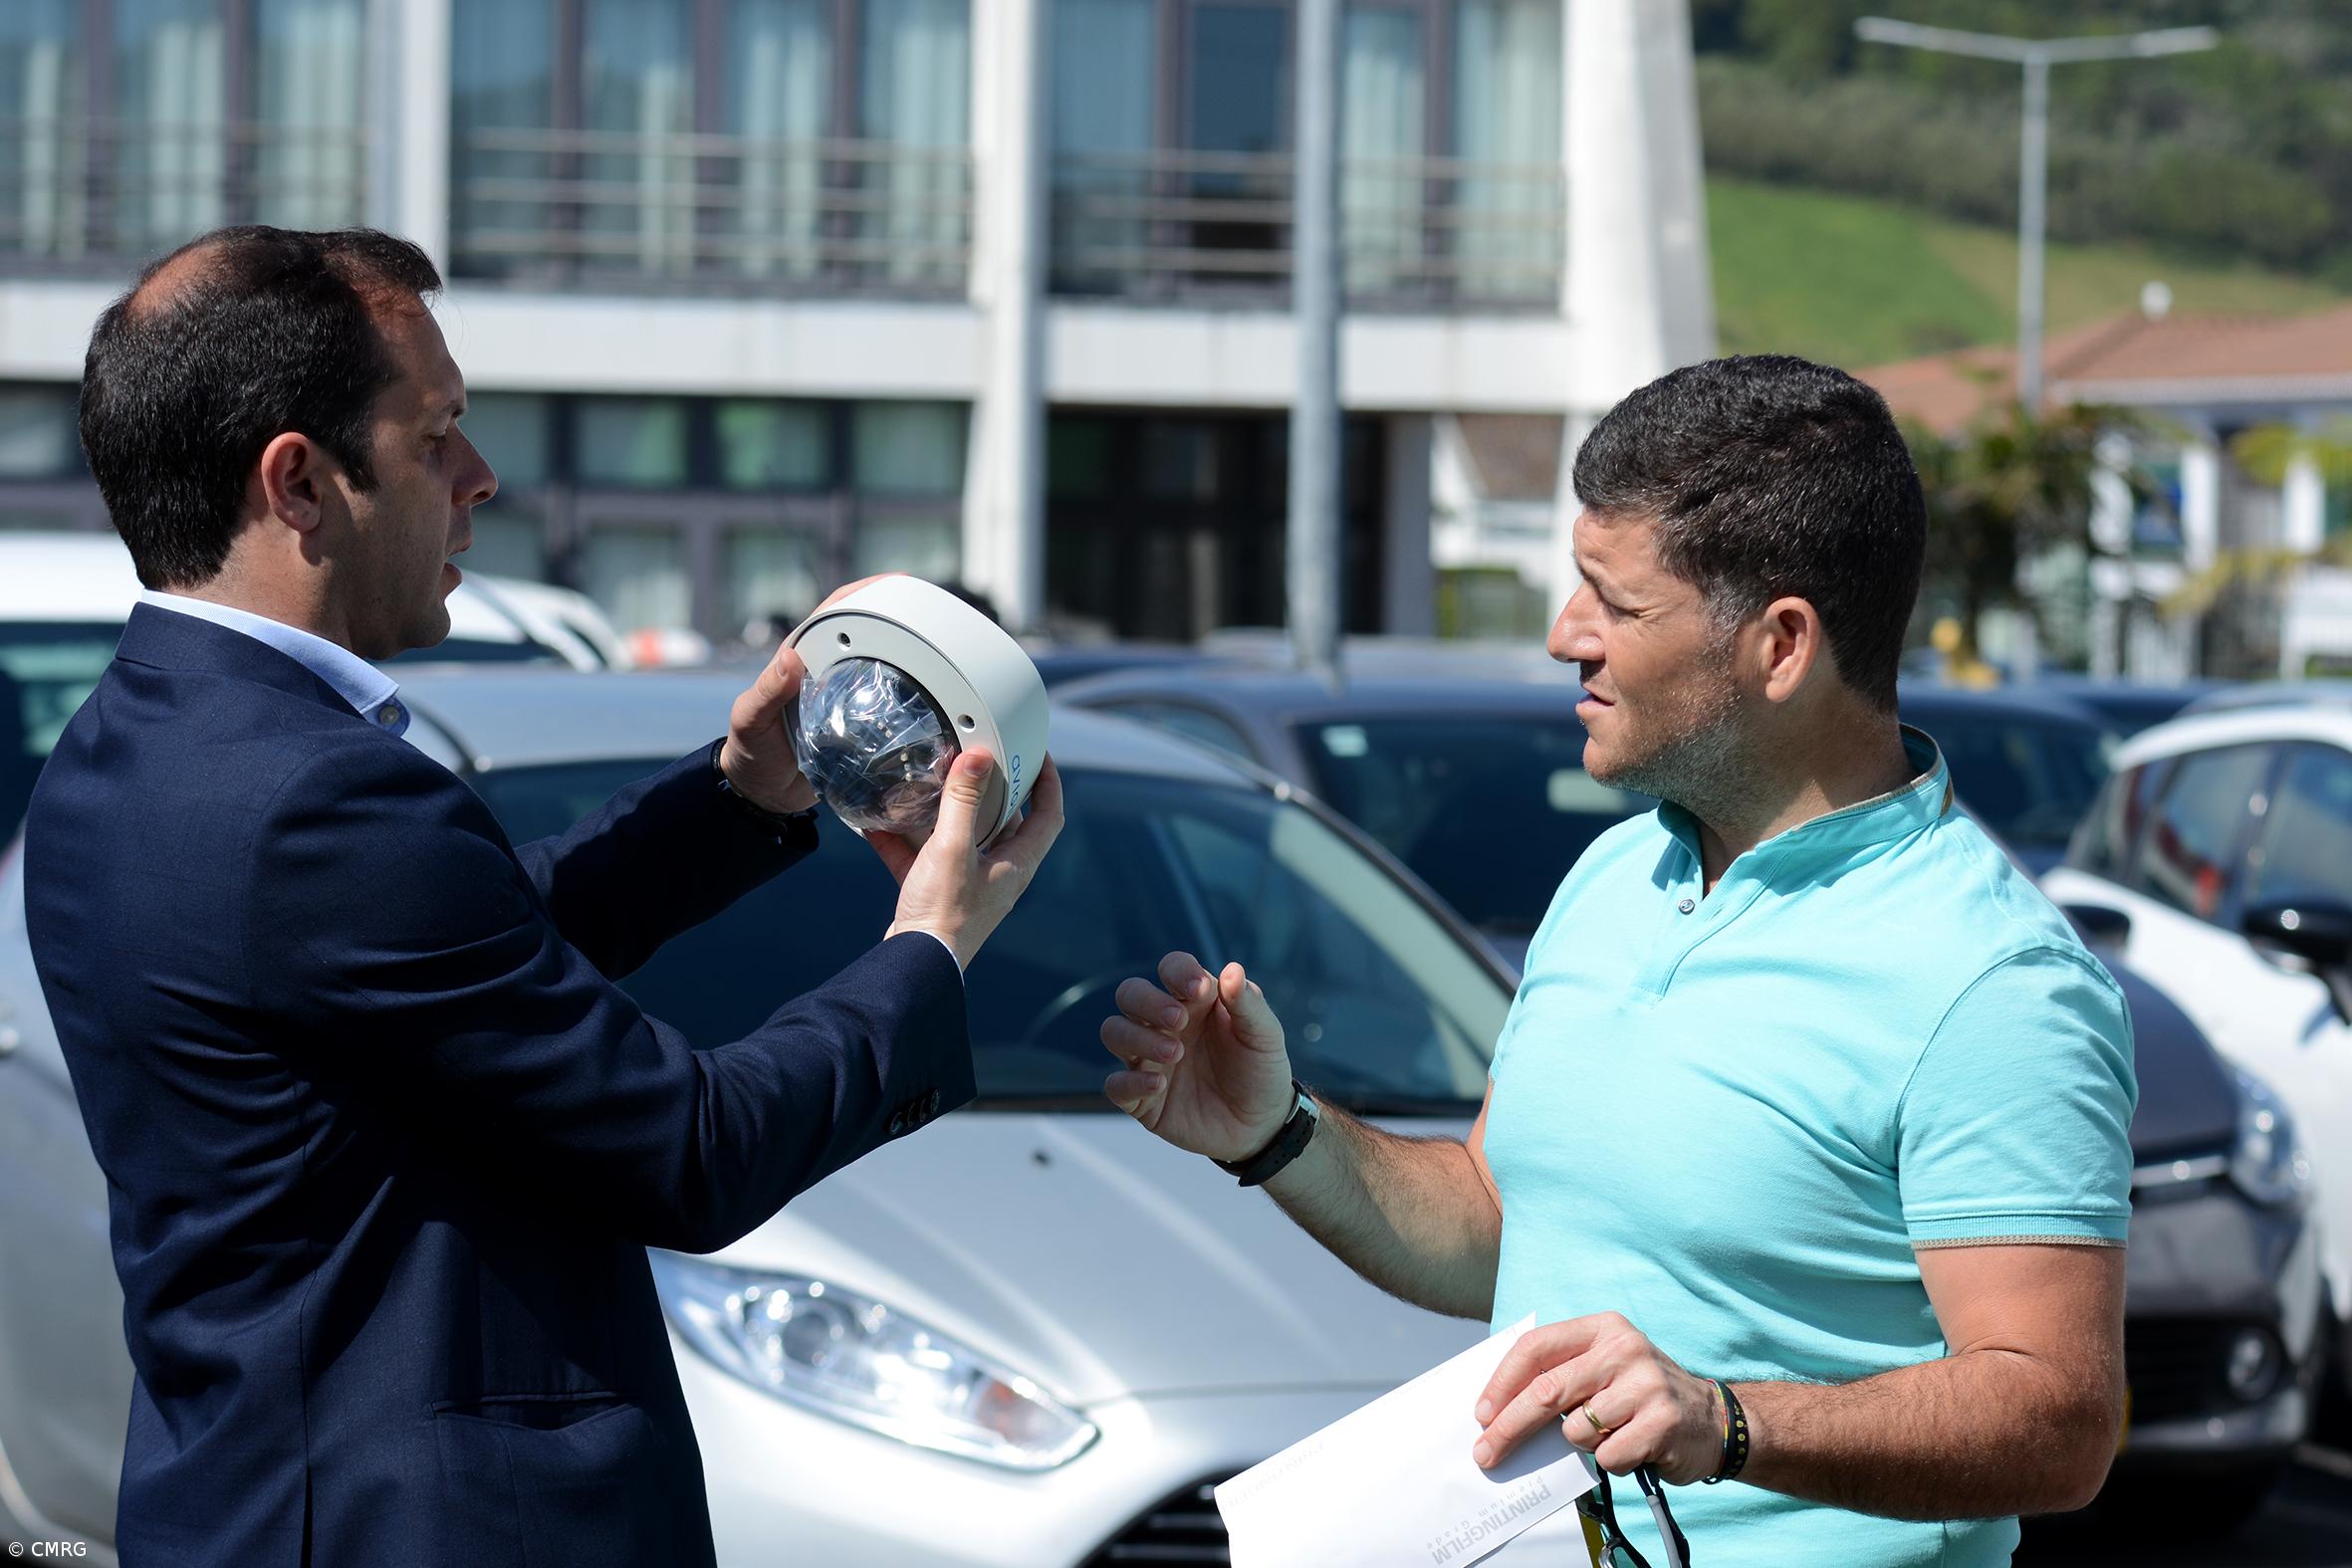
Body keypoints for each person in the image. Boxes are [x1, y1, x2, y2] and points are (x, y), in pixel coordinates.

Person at [24, 225, 1062, 1568]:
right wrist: (932, 941)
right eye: (436, 431)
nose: (479, 476)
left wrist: (743, 791)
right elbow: (691, 1148)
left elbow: (469, 957)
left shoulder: (117, 753)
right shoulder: (316, 799)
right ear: (298, 482)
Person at [1099, 355, 2133, 1566]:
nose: (1562, 637)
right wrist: (1277, 1132)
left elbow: (2059, 1422)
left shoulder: (1993, 983)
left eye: (1613, 601)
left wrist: (1728, 1422)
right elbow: (1496, 1229)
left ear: (1780, 643)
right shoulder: (1613, 878)